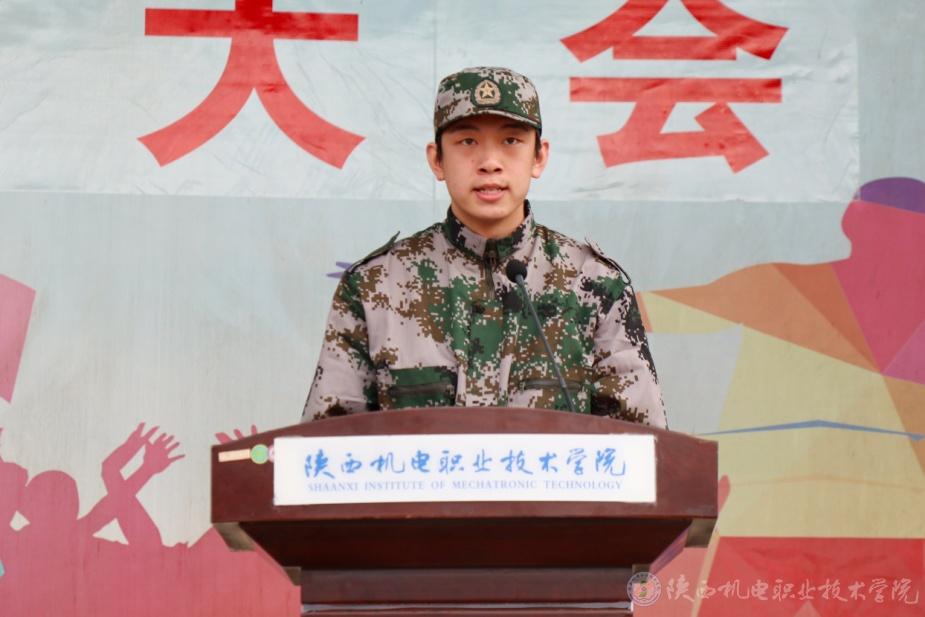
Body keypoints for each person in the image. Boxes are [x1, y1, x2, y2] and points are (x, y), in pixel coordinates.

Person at [302, 67, 666, 428]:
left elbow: (641, 448)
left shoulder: (595, 284)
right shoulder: (375, 286)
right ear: (437, 160)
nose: (490, 163)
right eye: (467, 142)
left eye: (511, 141)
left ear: (539, 157)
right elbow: (325, 445)